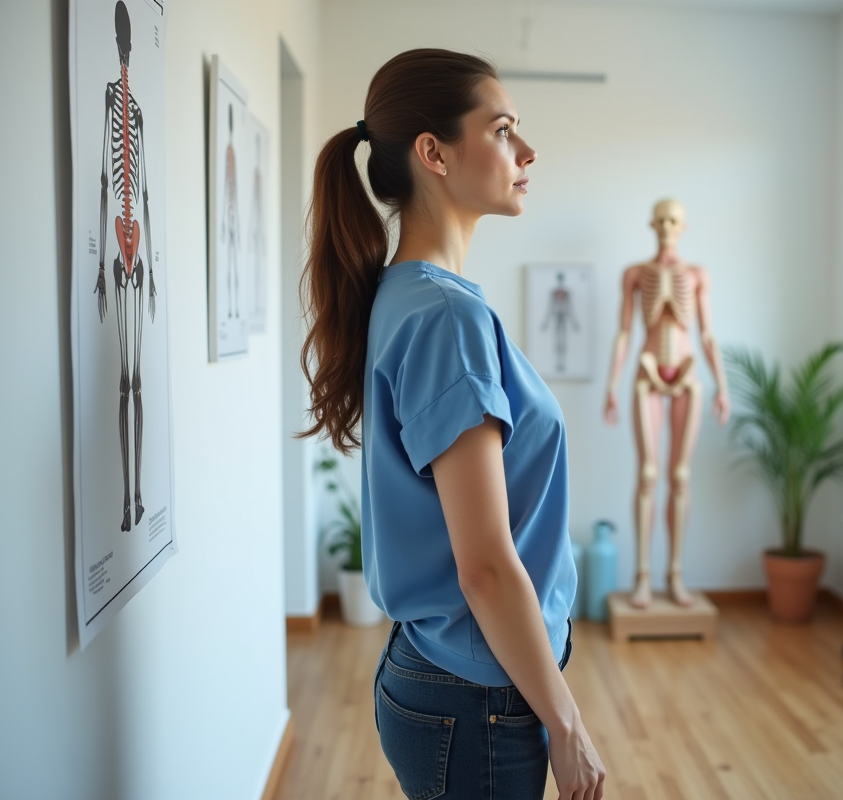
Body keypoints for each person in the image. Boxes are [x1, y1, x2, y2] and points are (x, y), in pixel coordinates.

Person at [300, 49, 605, 800]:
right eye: (502, 129)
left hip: (451, 674)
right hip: (477, 696)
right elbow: (485, 566)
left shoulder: (408, 294)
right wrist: (567, 725)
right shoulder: (445, 316)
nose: (526, 151)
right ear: (434, 153)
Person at [602, 199, 729, 609]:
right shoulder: (635, 274)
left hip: (688, 376)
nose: (667, 226)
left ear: (683, 226)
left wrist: (722, 385)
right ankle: (643, 576)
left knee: (680, 477)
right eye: (661, 220)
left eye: (674, 220)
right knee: (648, 474)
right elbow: (624, 332)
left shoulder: (697, 274)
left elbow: (707, 334)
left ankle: (675, 574)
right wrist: (611, 384)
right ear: (651, 225)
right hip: (648, 372)